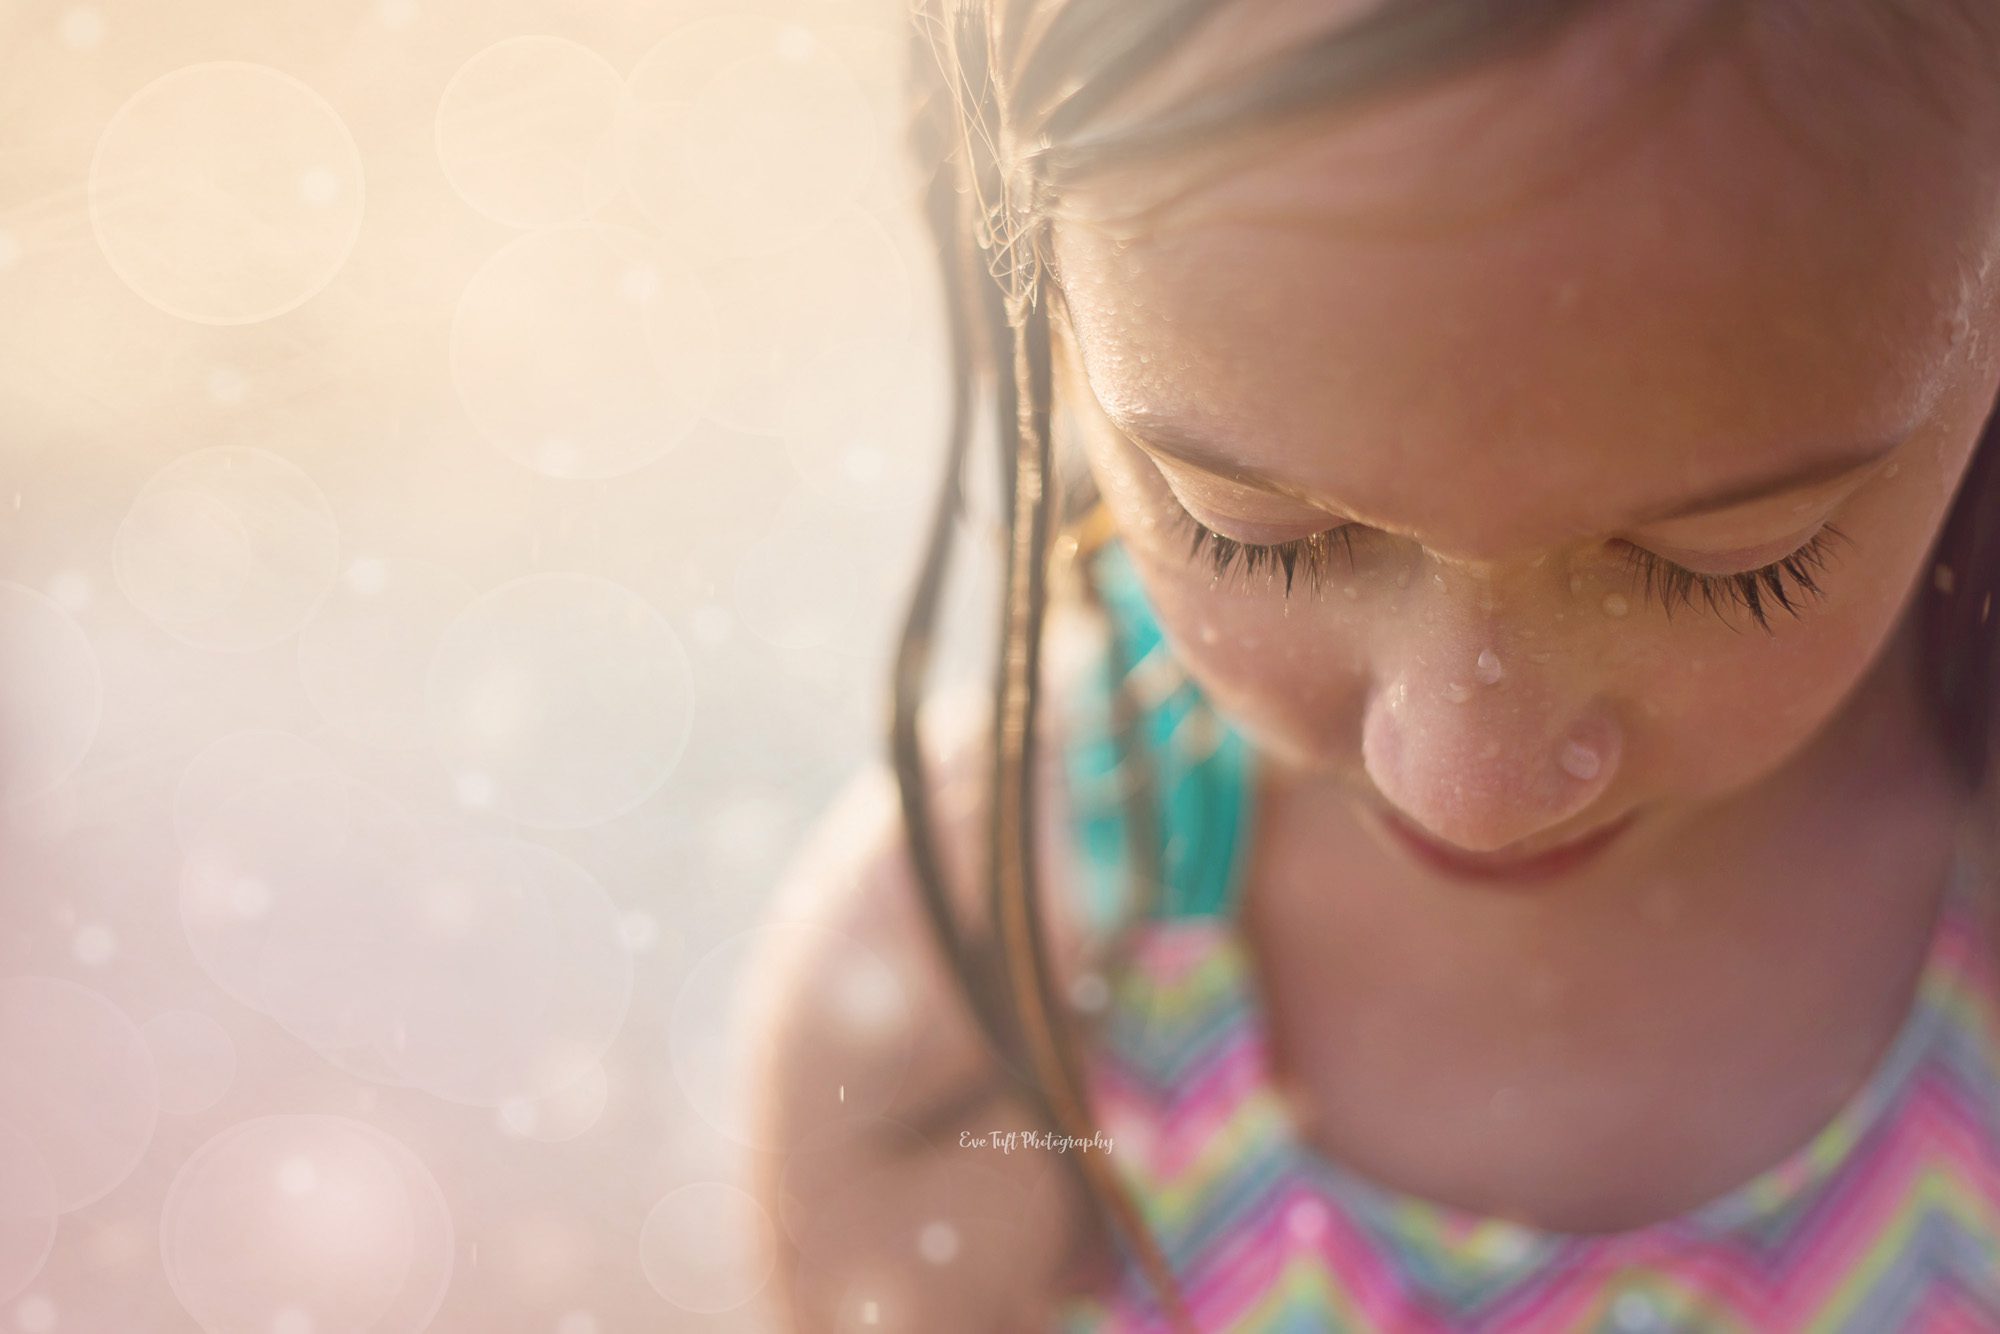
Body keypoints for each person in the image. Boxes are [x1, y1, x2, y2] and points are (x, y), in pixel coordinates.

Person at [748, 0, 2000, 1328]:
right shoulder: (970, 1046)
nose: (1472, 780)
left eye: (1733, 560)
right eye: (1266, 535)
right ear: (1037, 273)